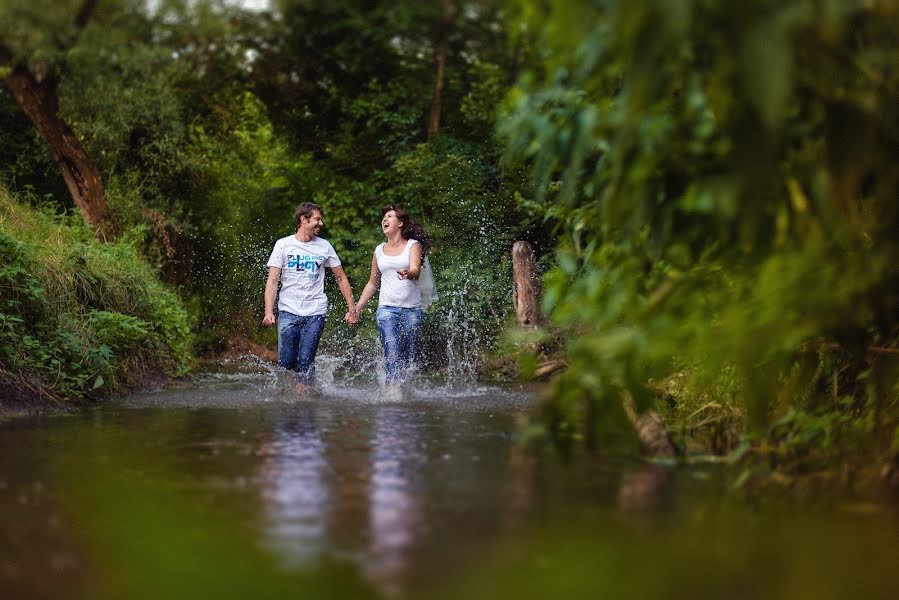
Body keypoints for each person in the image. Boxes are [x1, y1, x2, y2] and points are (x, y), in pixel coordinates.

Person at [263, 202, 358, 391]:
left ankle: (304, 401)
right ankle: (291, 400)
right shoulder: (283, 245)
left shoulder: (325, 246)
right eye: (317, 219)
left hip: (315, 312)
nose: (320, 223)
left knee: (306, 361)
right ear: (303, 219)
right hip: (288, 311)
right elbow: (273, 280)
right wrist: (268, 311)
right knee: (286, 362)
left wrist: (352, 309)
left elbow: (340, 278)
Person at [352, 204, 433, 386]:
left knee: (409, 354)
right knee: (392, 351)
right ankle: (392, 389)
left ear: (400, 223)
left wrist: (408, 273)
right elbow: (373, 283)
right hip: (387, 309)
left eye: (389, 216)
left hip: (412, 310)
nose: (384, 220)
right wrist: (357, 308)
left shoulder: (413, 246)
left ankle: (405, 388)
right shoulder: (379, 250)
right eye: (384, 217)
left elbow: (415, 269)